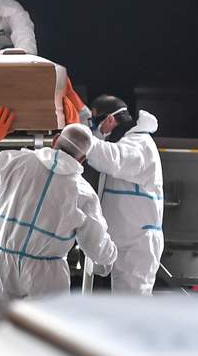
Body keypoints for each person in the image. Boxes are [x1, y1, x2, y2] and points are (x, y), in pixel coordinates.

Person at [0, 111, 116, 332]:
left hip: (2, 262)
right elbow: (100, 251)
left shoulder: (14, 161)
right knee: (40, 344)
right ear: (82, 160)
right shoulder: (83, 194)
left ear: (54, 141)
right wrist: (111, 256)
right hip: (47, 273)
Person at [67, 86, 165, 294]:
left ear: (110, 120)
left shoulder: (140, 144)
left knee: (131, 312)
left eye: (97, 123)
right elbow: (96, 137)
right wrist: (69, 94)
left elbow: (110, 158)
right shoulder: (124, 141)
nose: (95, 129)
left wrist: (75, 131)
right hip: (123, 241)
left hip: (137, 246)